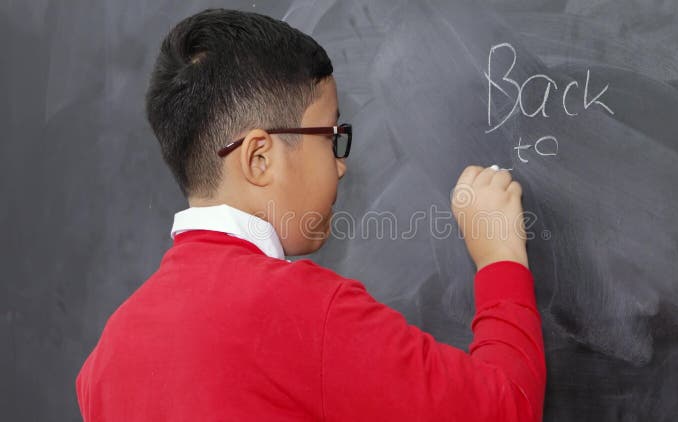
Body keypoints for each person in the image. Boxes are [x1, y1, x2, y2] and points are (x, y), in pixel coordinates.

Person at [75, 8, 545, 421]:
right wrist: (500, 255)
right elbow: (505, 409)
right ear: (259, 158)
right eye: (331, 135)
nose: (341, 164)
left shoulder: (106, 361)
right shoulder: (309, 316)